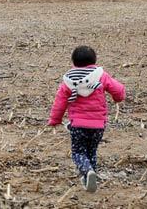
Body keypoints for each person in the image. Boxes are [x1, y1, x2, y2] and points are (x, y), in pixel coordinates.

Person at [48, 45, 125, 192]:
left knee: (78, 152)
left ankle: (87, 172)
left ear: (73, 62)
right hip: (98, 125)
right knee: (91, 151)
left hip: (78, 125)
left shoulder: (69, 80)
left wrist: (55, 120)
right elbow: (118, 89)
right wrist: (118, 98)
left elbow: (60, 102)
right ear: (94, 60)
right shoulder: (100, 75)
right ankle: (89, 178)